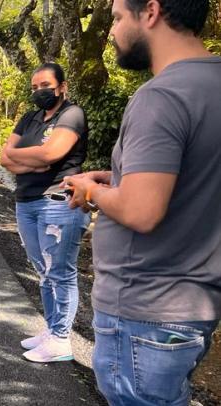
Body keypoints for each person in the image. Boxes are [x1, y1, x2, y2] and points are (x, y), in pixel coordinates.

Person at [64, 1, 221, 403]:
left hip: (144, 311)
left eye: (116, 18)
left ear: (150, 11)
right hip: (193, 306)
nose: (111, 31)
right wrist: (118, 180)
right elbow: (193, 182)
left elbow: (141, 210)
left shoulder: (162, 95)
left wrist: (92, 191)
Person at [0, 62, 90, 363]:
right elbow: (4, 156)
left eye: (46, 85)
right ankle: (51, 330)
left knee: (60, 271)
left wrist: (33, 157)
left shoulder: (71, 114)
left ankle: (62, 339)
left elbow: (53, 154)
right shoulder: (30, 118)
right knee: (43, 270)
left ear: (62, 86)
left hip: (57, 201)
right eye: (35, 87)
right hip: (26, 201)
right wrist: (34, 161)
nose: (40, 91)